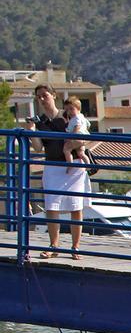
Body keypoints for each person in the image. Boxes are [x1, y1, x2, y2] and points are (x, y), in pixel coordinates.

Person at [25, 84, 86, 260]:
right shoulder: (40, 121)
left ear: (53, 95)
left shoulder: (68, 114)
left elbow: (82, 135)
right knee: (51, 207)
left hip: (72, 164)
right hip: (52, 165)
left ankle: (75, 247)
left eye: (45, 95)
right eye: (39, 97)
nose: (42, 99)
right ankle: (54, 245)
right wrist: (31, 131)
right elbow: (37, 148)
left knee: (76, 207)